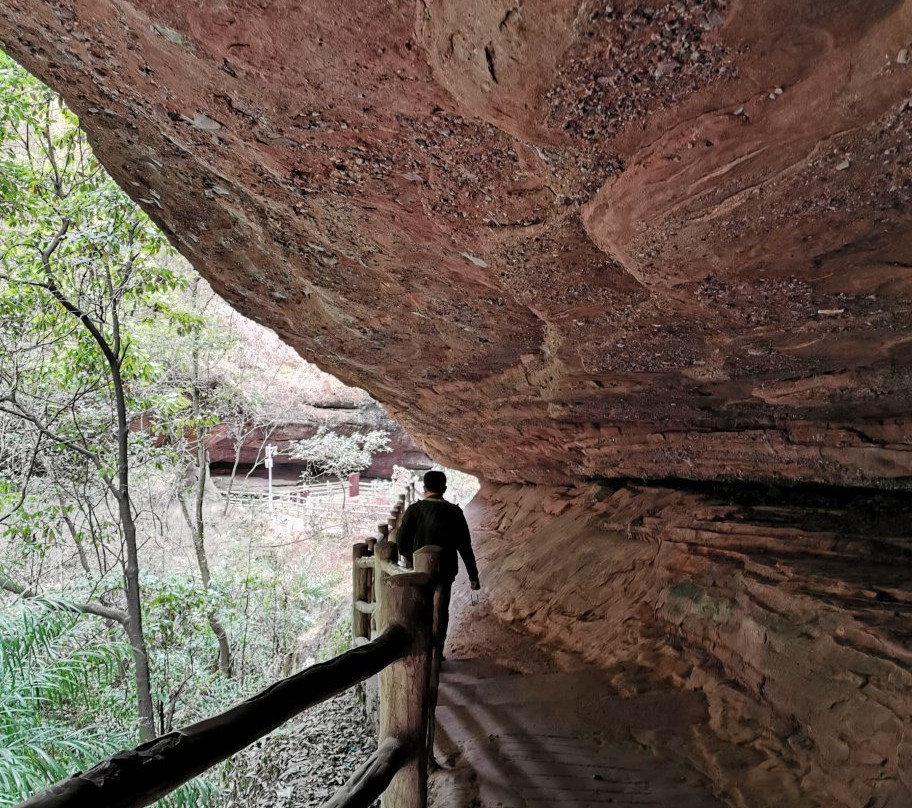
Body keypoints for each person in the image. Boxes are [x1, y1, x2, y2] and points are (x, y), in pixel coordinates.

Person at [396, 470, 480, 659]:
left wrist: (408, 557)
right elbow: (465, 547)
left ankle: (422, 653)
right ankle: (437, 654)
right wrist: (473, 576)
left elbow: (401, 540)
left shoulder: (414, 511)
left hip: (419, 571)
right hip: (445, 571)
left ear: (424, 488)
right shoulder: (455, 512)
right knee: (441, 610)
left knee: (421, 608)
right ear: (444, 488)